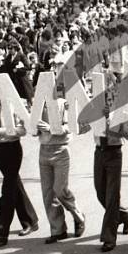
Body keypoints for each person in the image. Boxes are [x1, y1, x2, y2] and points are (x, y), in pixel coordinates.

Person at [0, 96, 40, 245]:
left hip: (12, 147)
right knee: (14, 184)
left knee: (7, 189)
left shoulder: (18, 103)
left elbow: (23, 130)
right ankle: (30, 220)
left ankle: (2, 231)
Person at [92, 71, 128, 253]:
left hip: (114, 152)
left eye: (110, 89)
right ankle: (125, 215)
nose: (107, 93)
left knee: (111, 196)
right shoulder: (94, 105)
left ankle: (109, 237)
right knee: (101, 193)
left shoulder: (122, 108)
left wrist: (111, 122)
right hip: (99, 151)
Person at [38, 96, 86, 244]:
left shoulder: (63, 103)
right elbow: (31, 127)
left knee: (60, 190)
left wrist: (52, 128)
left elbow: (71, 126)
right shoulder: (38, 104)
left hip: (60, 150)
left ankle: (79, 217)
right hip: (44, 150)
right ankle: (58, 230)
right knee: (48, 194)